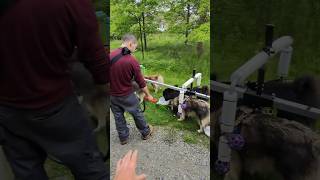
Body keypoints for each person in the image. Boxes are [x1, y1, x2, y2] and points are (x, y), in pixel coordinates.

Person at [0, 0, 109, 179]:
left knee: (27, 172)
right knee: (90, 168)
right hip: (56, 107)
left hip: (7, 110)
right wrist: (104, 88)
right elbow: (95, 56)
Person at [110, 34, 154, 145]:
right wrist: (148, 95)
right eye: (135, 46)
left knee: (118, 116)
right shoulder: (132, 61)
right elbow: (141, 82)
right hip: (126, 95)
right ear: (130, 43)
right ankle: (145, 132)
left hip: (112, 95)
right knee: (137, 113)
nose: (135, 49)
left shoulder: (109, 56)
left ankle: (123, 138)